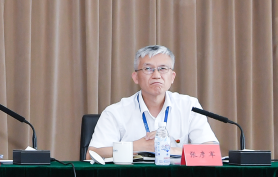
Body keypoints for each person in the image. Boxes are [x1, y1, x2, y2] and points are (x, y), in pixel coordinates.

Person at [88, 45, 218, 159]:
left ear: (172, 77)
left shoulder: (189, 106)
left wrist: (170, 150)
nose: (156, 75)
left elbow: (212, 152)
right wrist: (137, 146)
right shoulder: (115, 112)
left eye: (163, 68)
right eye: (148, 69)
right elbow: (91, 154)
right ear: (136, 77)